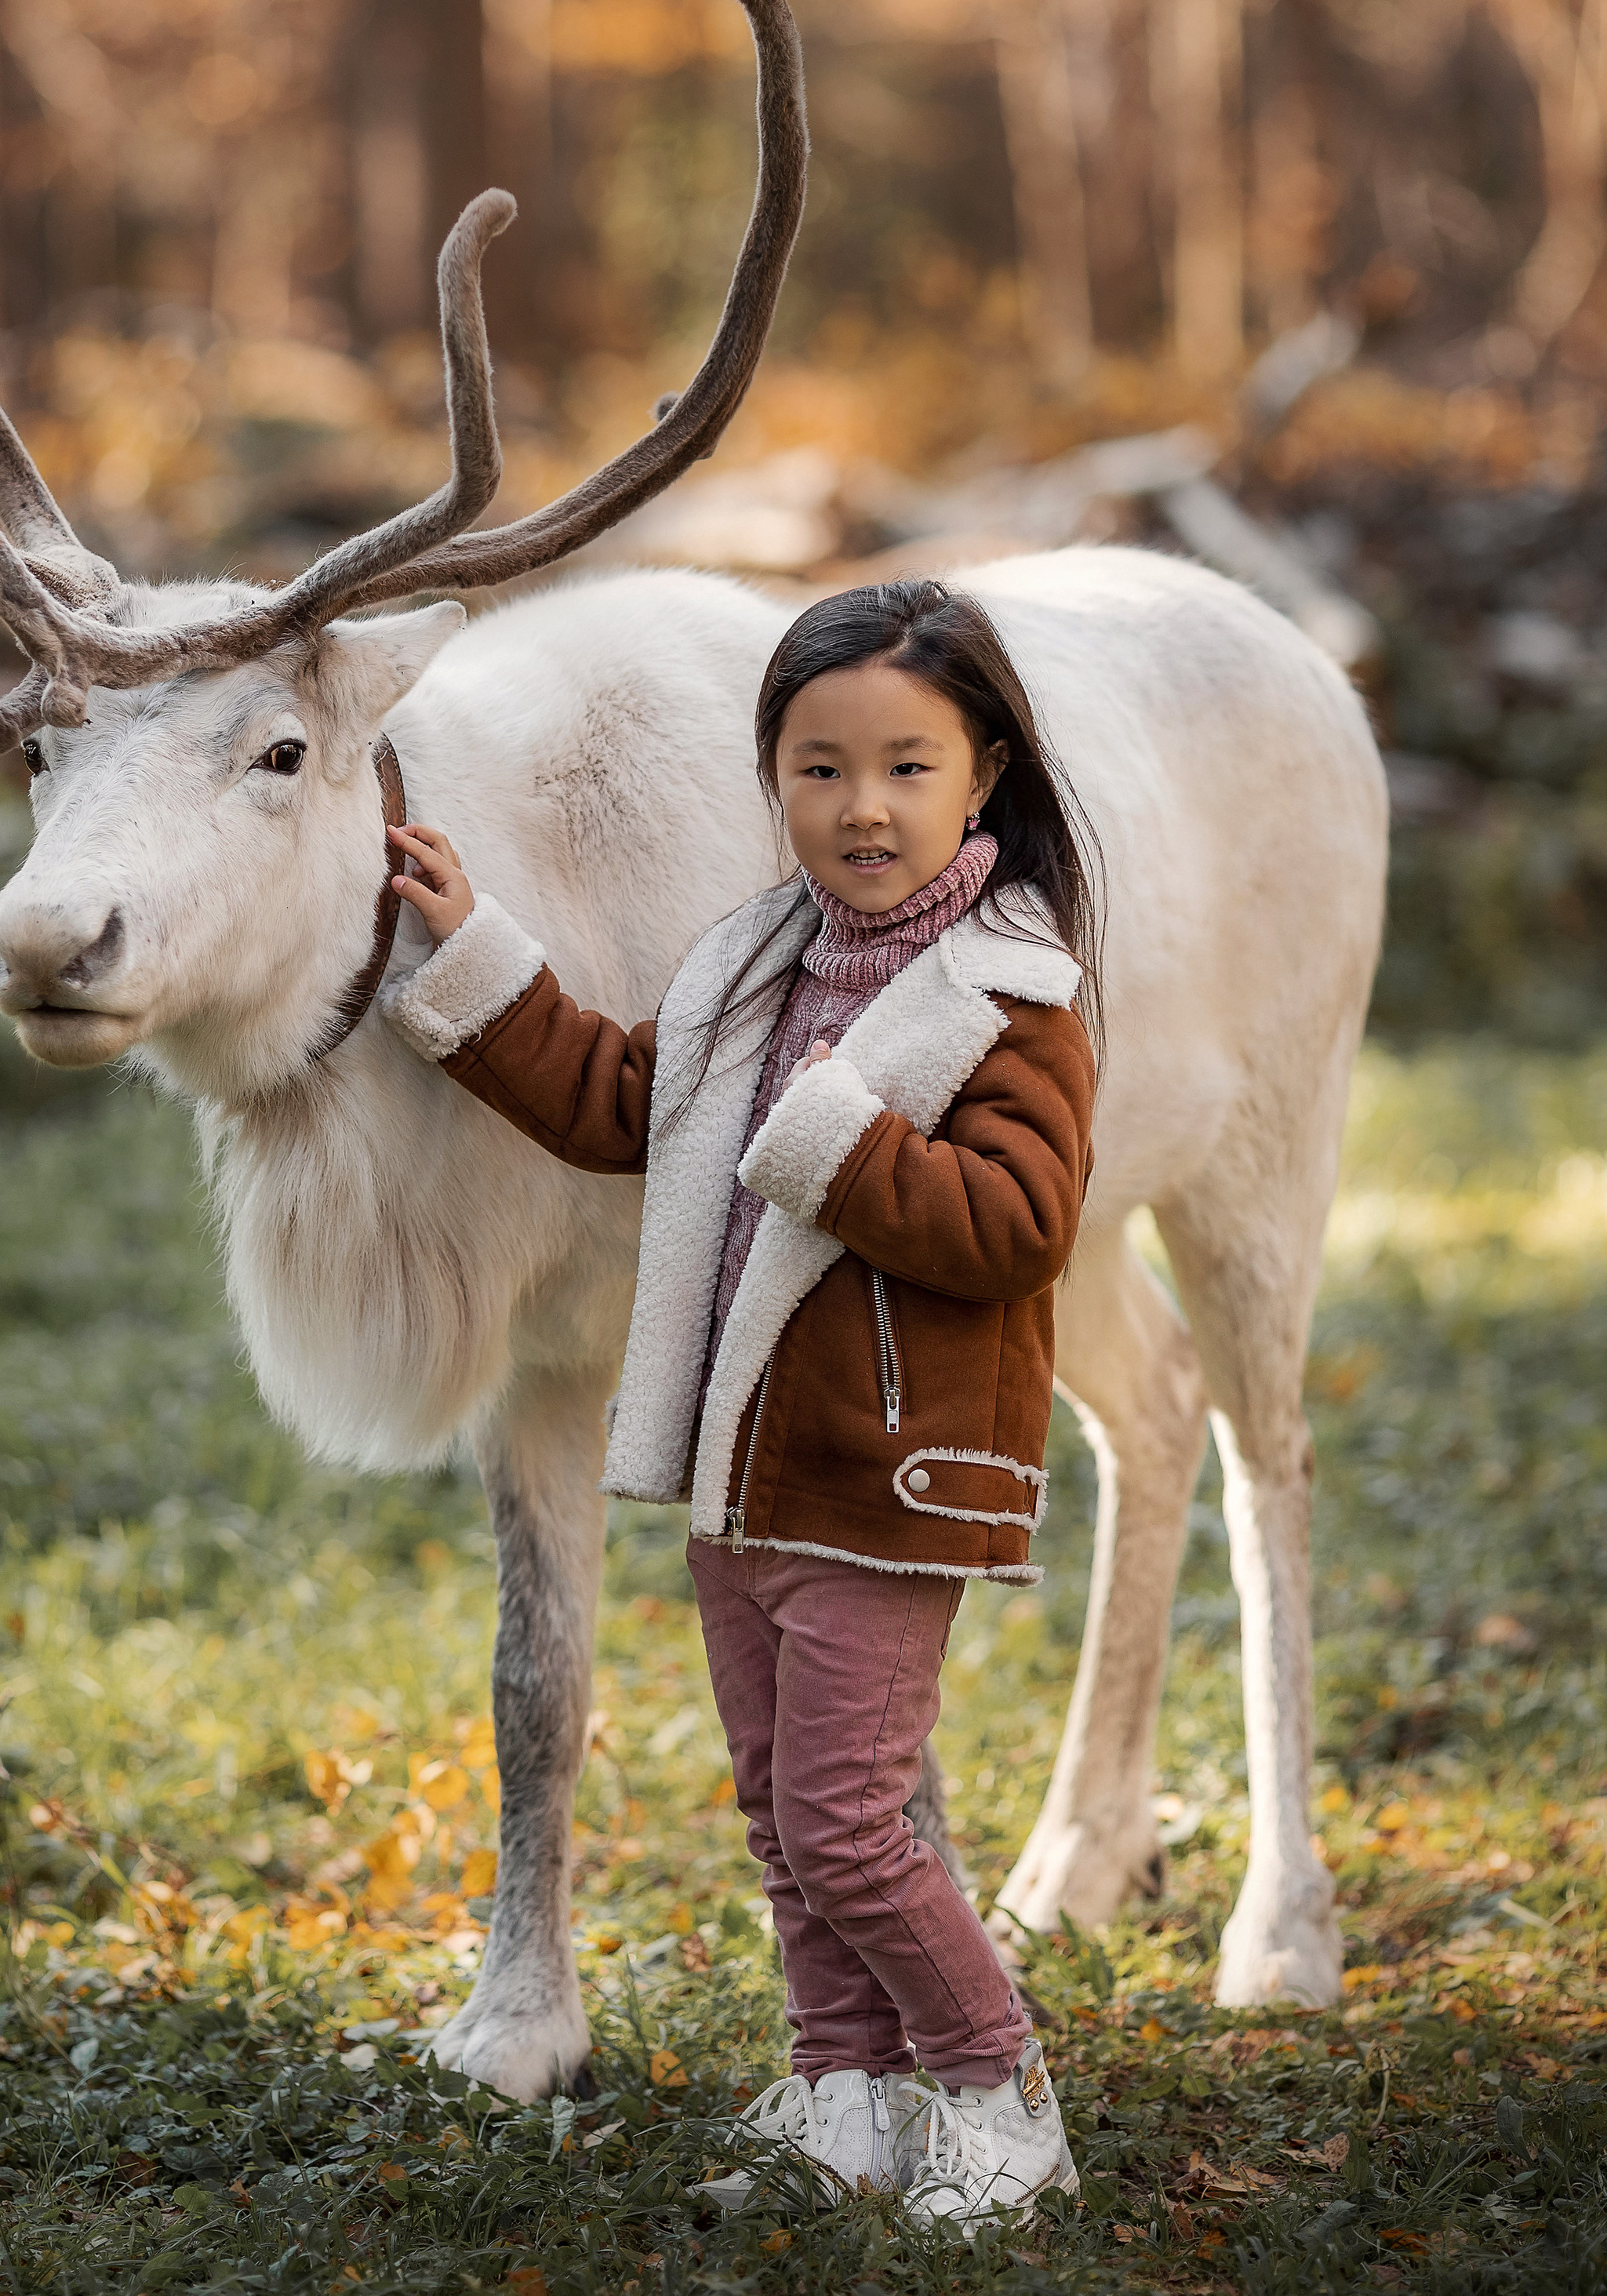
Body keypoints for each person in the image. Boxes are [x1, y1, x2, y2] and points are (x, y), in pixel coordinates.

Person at [380, 578, 1099, 2232]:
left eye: (907, 768)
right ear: (765, 785)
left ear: (980, 777)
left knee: (852, 1826)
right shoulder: (752, 971)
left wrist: (838, 1149)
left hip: (888, 1477)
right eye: (817, 769)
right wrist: (475, 947)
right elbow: (620, 1096)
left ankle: (996, 2098)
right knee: (783, 1822)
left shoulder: (1015, 997)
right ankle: (844, 2105)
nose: (862, 809)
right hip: (741, 1467)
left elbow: (1015, 1225)